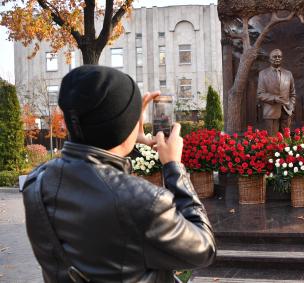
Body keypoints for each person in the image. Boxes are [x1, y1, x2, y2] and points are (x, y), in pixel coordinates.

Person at [21, 65, 216, 282]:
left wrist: (128, 138)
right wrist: (173, 166)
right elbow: (204, 249)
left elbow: (103, 178)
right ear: (125, 126)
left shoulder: (36, 183)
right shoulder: (145, 202)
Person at [257, 48, 296, 135]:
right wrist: (274, 98)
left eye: (279, 56)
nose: (277, 58)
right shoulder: (263, 74)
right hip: (271, 113)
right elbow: (260, 94)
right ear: (269, 59)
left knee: (286, 140)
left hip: (286, 112)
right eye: (274, 57)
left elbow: (292, 93)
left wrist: (291, 106)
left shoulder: (288, 74)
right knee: (272, 141)